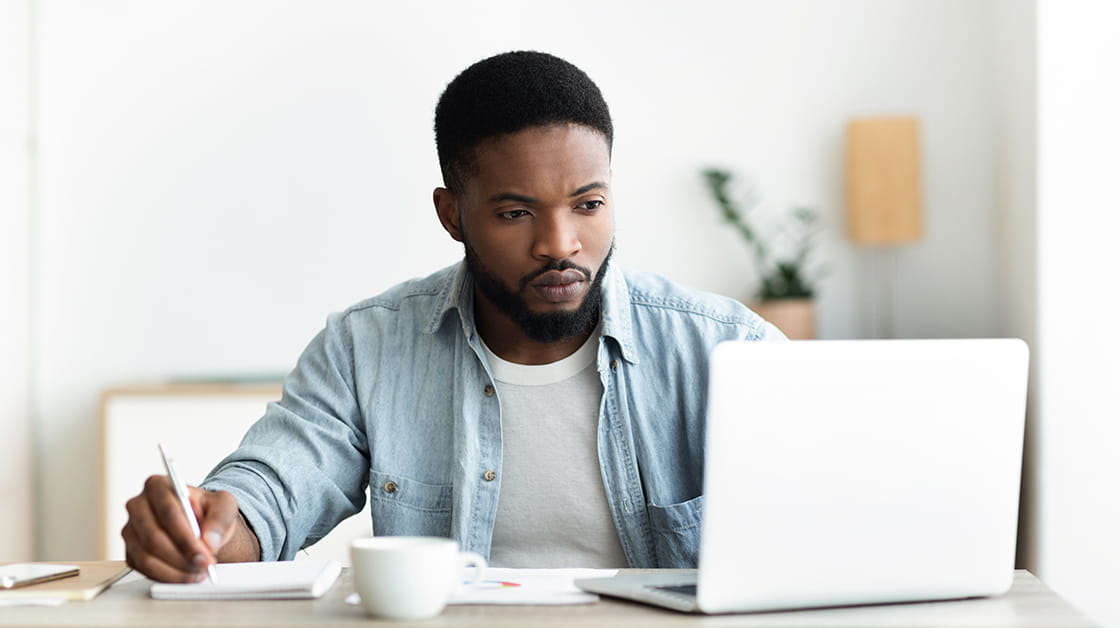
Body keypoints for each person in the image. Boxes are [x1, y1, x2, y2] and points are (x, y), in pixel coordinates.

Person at [121, 50, 784, 583]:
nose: (560, 243)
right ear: (452, 215)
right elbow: (271, 490)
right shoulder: (367, 348)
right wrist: (204, 530)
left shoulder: (728, 349)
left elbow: (835, 516)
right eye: (516, 213)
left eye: (588, 204)